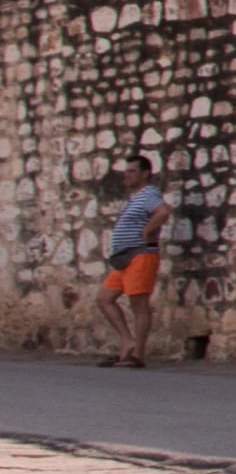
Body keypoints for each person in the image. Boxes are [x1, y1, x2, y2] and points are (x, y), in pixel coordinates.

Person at [98, 158, 164, 369]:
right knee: (104, 299)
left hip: (141, 255)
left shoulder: (149, 194)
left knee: (139, 305)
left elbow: (163, 211)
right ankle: (127, 342)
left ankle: (138, 354)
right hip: (125, 258)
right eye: (126, 171)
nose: (127, 175)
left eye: (132, 171)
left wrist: (147, 230)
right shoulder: (135, 198)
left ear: (145, 173)